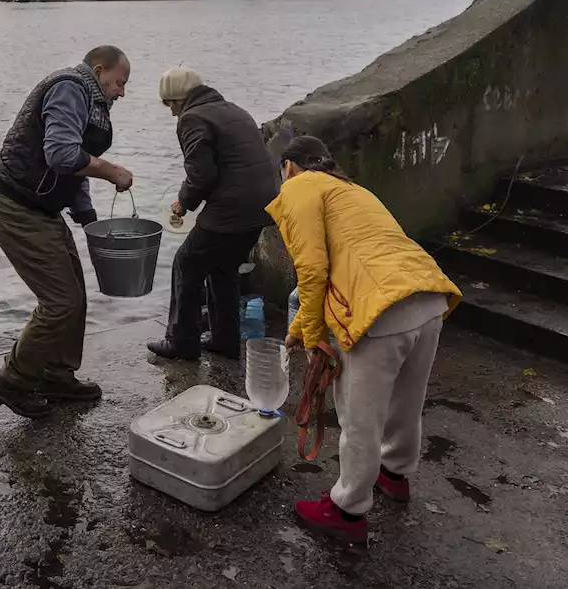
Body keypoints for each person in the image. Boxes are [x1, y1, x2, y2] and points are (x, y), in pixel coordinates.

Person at [268, 135, 461, 543]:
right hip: (427, 297)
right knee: (407, 403)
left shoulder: (299, 186)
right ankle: (394, 475)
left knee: (359, 416)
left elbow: (312, 270)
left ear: (288, 166)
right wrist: (298, 329)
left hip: (377, 312)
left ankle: (347, 509)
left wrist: (313, 338)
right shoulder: (353, 189)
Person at [0, 45, 134, 418]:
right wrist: (112, 170)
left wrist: (87, 216)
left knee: (76, 294)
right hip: (14, 204)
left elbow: (75, 168)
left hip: (43, 206)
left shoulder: (93, 99)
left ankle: (55, 373)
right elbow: (62, 155)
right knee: (60, 300)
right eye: (119, 82)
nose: (122, 91)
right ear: (99, 70)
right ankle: (12, 381)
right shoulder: (70, 88)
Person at [146, 66, 278, 361]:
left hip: (232, 210)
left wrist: (183, 203)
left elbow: (202, 176)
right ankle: (224, 339)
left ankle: (182, 342)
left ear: (181, 100)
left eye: (171, 105)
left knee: (186, 264)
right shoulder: (234, 110)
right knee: (224, 268)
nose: (172, 114)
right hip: (261, 208)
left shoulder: (193, 118)